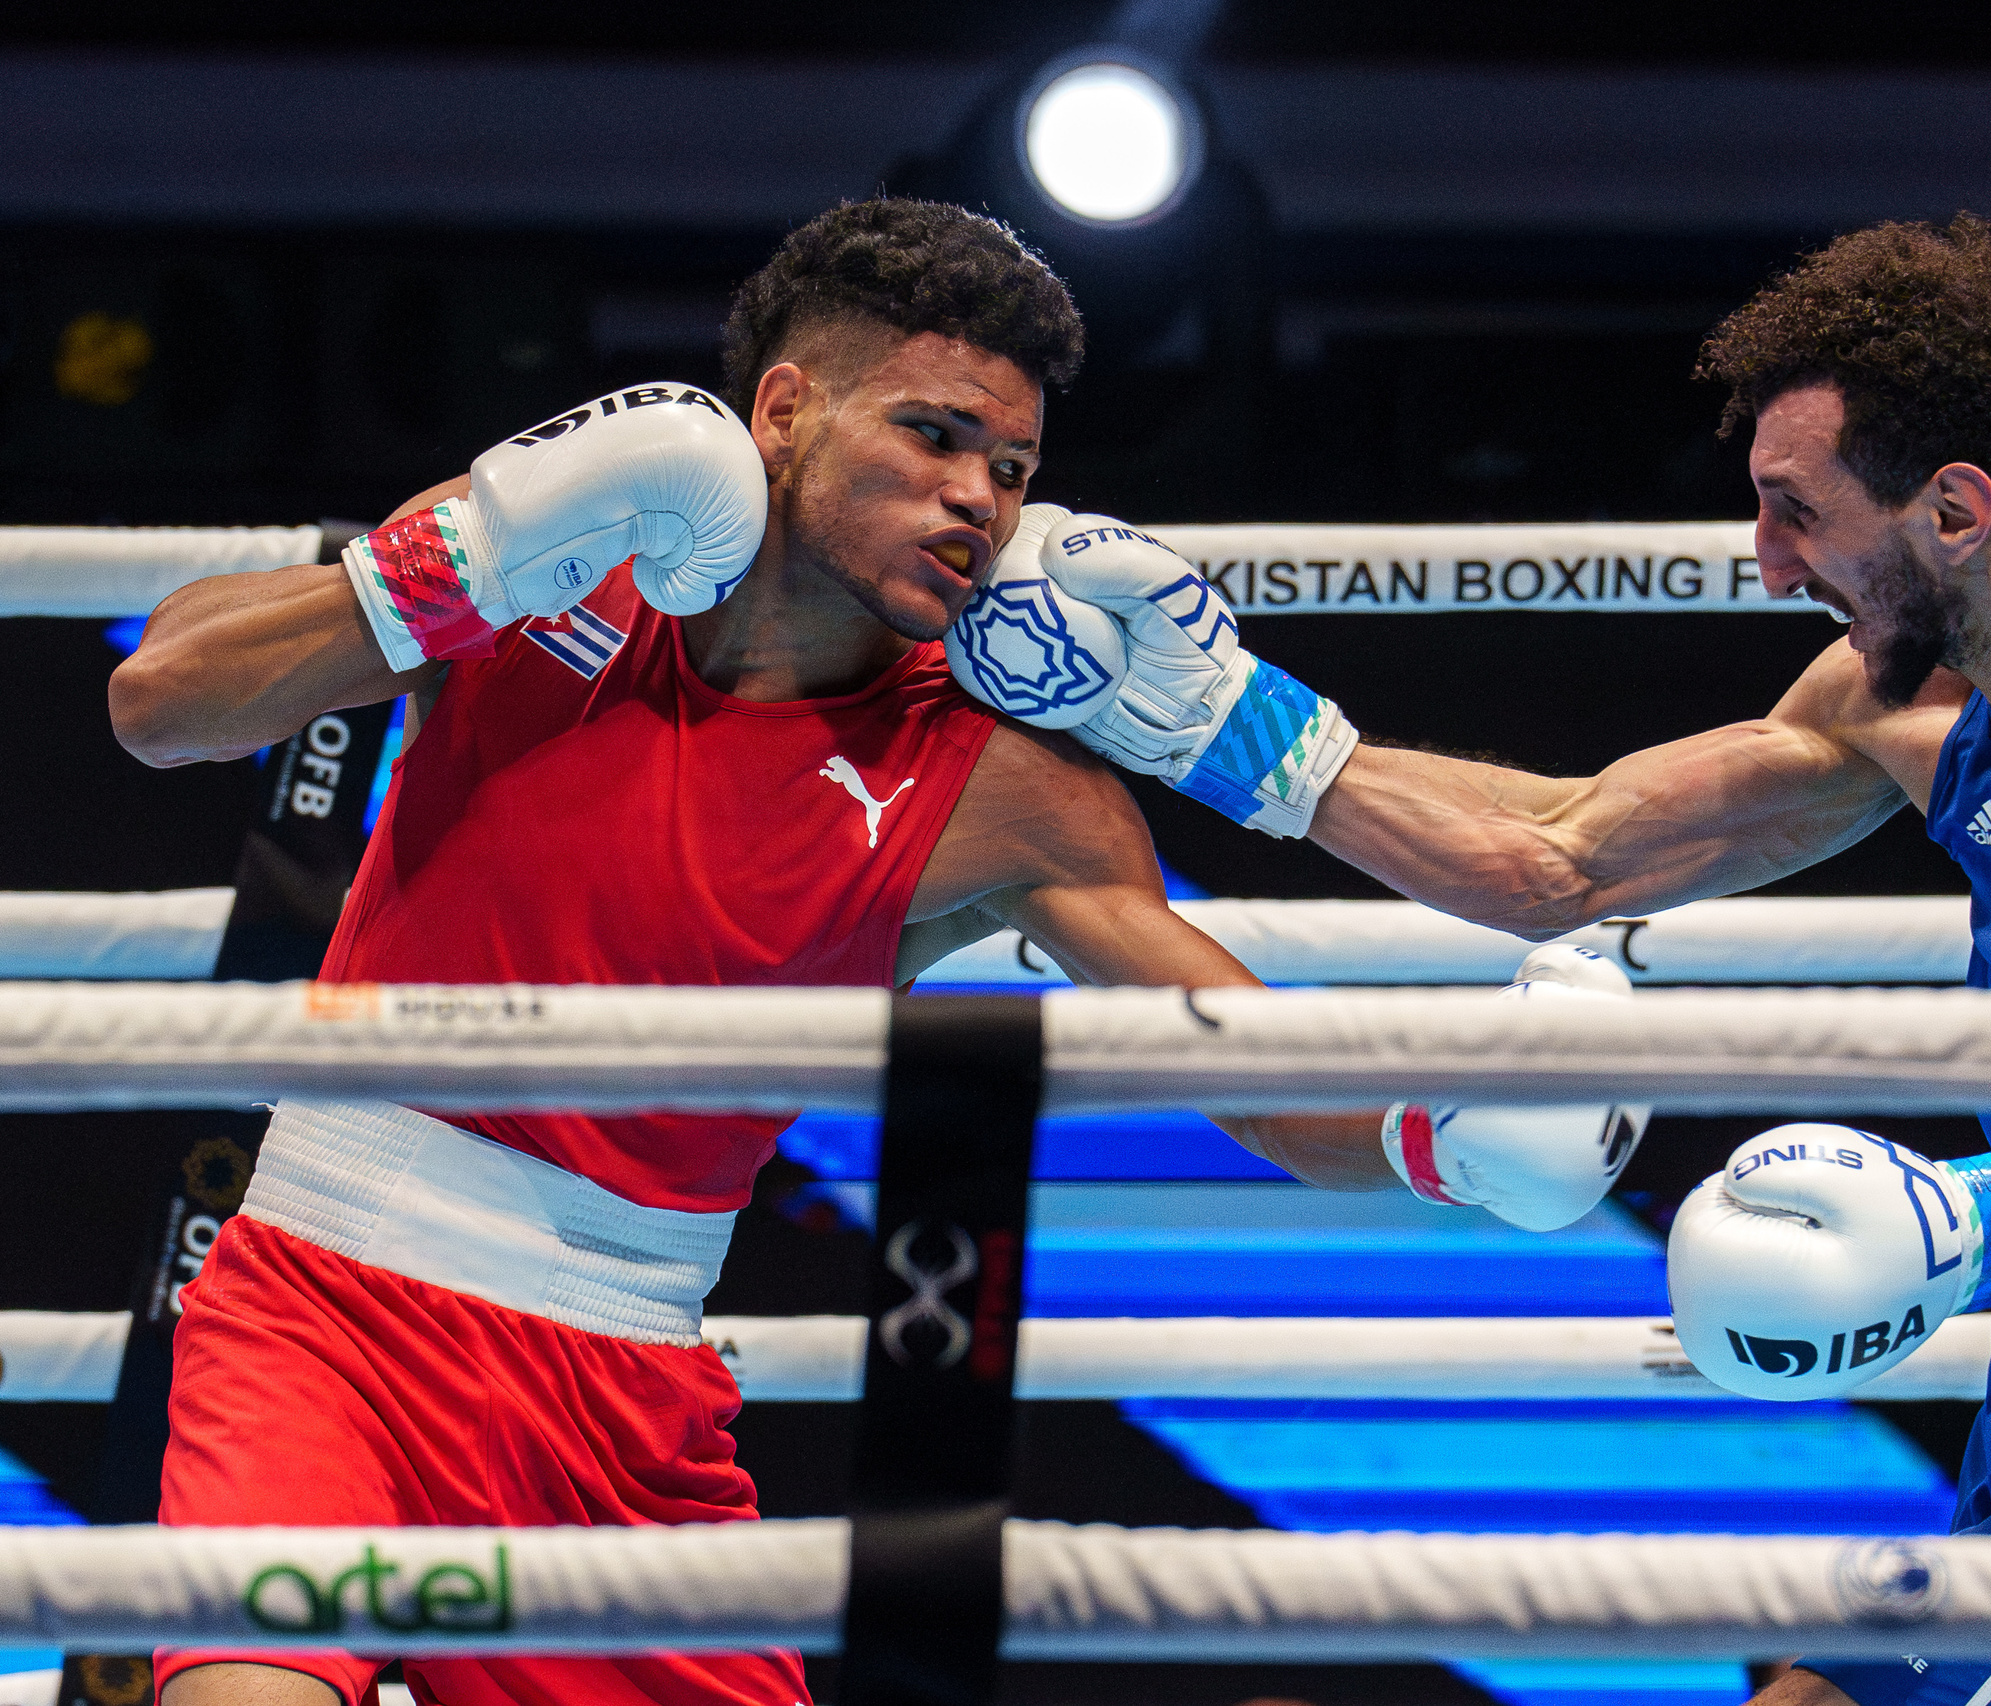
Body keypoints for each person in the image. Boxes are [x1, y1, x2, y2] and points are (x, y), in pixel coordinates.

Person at [108, 197, 1642, 1706]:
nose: (980, 496)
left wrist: (1451, 1133)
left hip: (623, 1400)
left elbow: (1255, 1078)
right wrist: (463, 567)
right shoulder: (563, 551)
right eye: (933, 434)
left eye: (1013, 467)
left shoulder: (1001, 786)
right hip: (321, 1309)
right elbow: (160, 701)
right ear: (783, 412)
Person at [1003, 214, 1991, 1706]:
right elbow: (1564, 856)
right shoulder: (1905, 700)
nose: (1768, 567)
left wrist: (1972, 1220)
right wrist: (1210, 722)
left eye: (1797, 513)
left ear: (1955, 510)